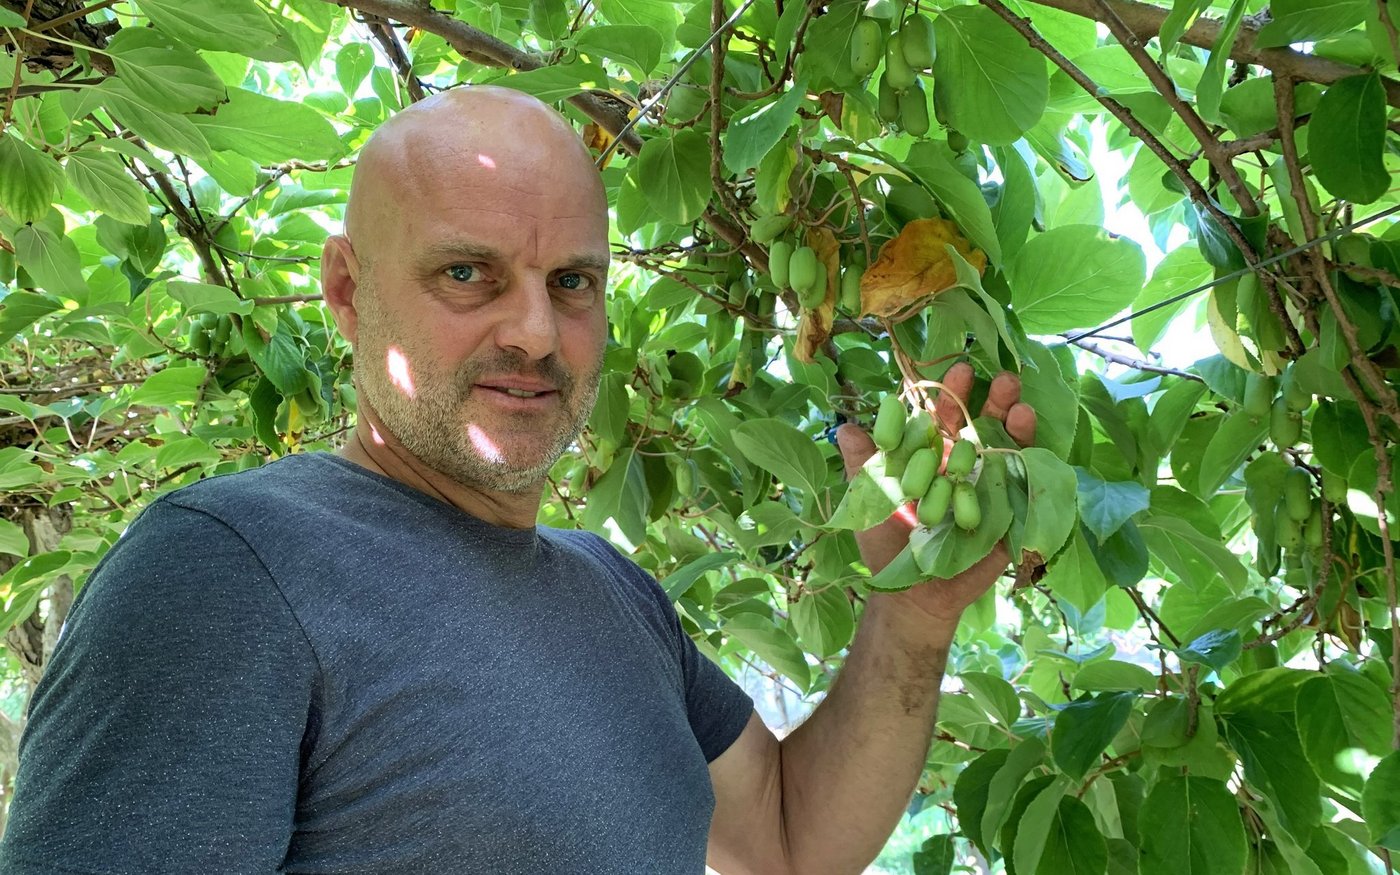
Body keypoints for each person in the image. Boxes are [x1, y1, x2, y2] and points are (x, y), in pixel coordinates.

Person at [0, 87, 1036, 874]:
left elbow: (790, 837)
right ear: (348, 291)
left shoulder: (617, 595)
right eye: (468, 273)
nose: (536, 332)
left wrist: (912, 618)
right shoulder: (223, 570)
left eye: (571, 282)